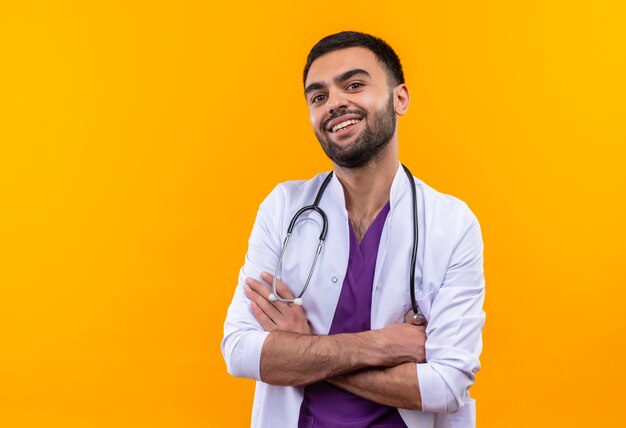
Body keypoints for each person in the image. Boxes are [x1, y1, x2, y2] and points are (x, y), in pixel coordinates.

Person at [221, 31, 485, 428]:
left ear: (400, 98)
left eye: (355, 85)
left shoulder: (452, 223)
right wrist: (383, 346)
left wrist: (302, 350)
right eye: (318, 96)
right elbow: (240, 350)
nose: (334, 104)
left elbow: (448, 385)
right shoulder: (284, 207)